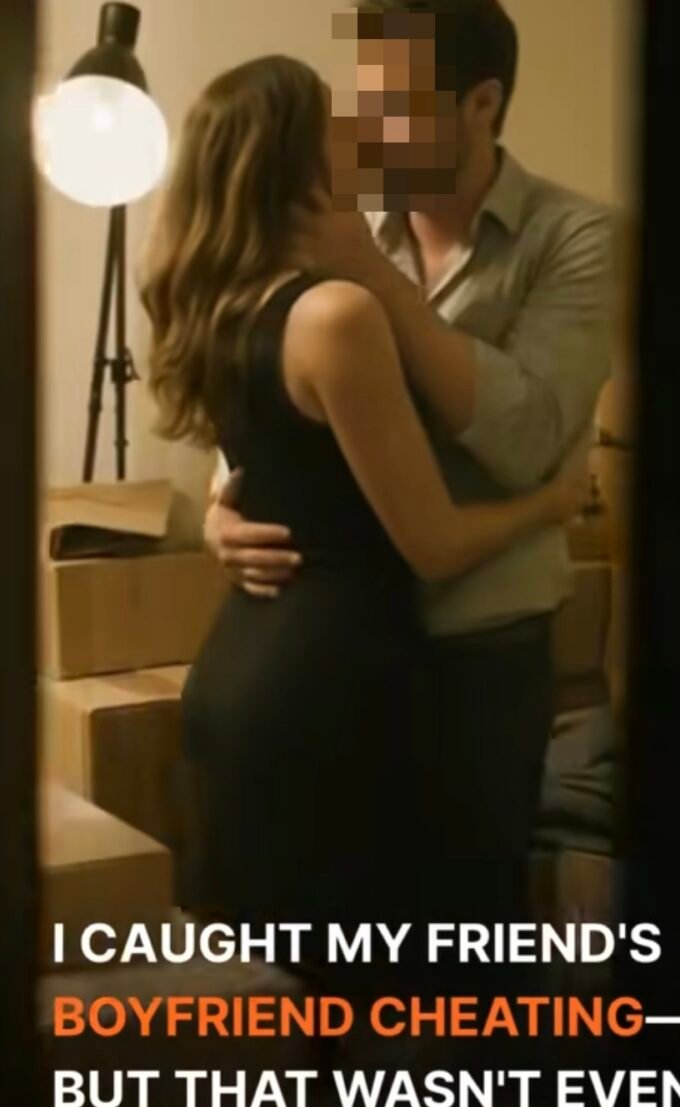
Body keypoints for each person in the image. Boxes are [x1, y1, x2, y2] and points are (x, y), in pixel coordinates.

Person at [140, 53, 588, 998]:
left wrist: (223, 509)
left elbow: (270, 458)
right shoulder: (339, 308)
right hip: (333, 686)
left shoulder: (225, 301)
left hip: (244, 663)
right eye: (337, 120)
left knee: (279, 989)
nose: (359, 131)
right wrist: (553, 505)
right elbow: (432, 542)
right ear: (297, 162)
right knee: (371, 991)